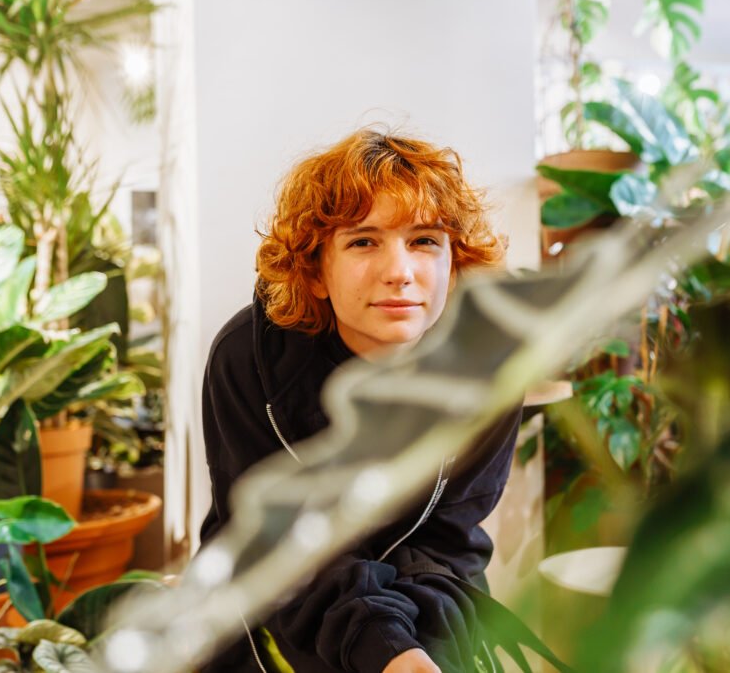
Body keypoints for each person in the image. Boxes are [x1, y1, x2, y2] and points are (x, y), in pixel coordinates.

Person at [199, 128, 522, 672]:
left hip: (429, 615)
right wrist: (382, 646)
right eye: (363, 241)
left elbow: (447, 543)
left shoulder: (489, 372)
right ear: (316, 270)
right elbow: (270, 548)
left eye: (424, 241)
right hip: (271, 617)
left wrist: (411, 652)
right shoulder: (247, 360)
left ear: (455, 263)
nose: (399, 272)